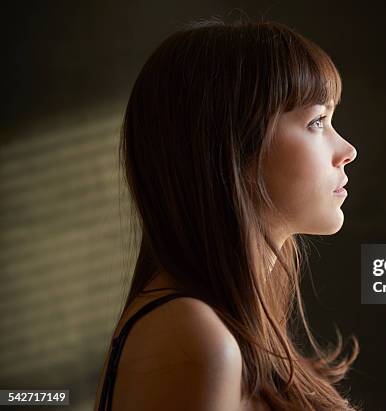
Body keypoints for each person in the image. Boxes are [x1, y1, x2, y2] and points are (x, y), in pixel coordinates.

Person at [94, 18, 359, 411]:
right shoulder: (194, 338)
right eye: (317, 121)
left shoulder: (215, 323)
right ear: (233, 147)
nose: (347, 149)